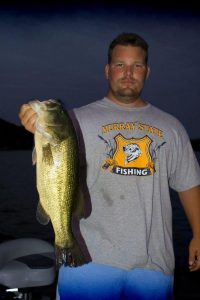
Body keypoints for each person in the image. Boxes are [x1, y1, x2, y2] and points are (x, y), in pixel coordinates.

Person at [19, 33, 200, 300]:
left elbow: (189, 184)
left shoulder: (171, 127)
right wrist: (33, 119)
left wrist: (198, 234)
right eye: (120, 65)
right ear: (107, 70)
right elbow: (49, 152)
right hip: (88, 260)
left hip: (154, 264)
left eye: (136, 66)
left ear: (147, 72)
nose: (128, 73)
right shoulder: (74, 120)